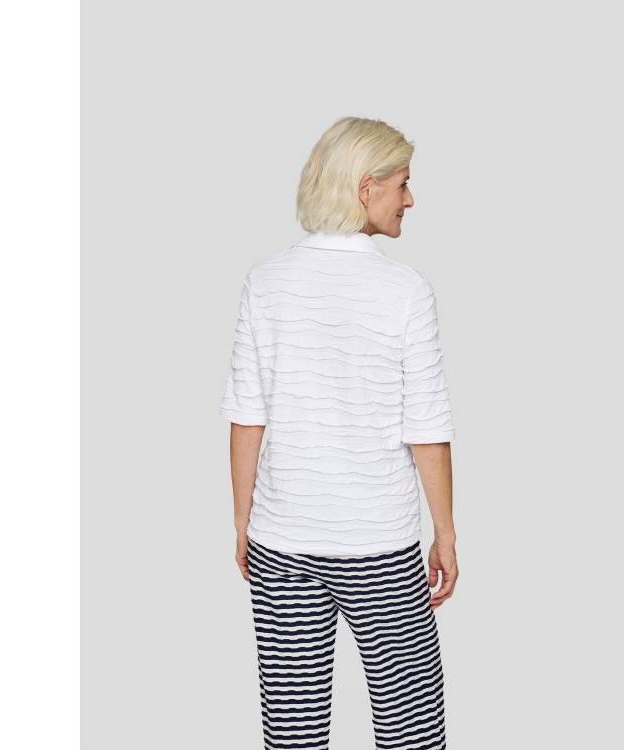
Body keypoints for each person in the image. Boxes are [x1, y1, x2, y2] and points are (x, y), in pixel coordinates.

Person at [220, 115, 457, 750]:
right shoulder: (405, 291)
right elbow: (427, 426)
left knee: (292, 731)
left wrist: (243, 523)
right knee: (412, 729)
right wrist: (445, 534)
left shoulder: (265, 281)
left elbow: (248, 414)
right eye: (402, 184)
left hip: (282, 541)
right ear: (365, 187)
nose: (410, 199)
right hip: (379, 544)